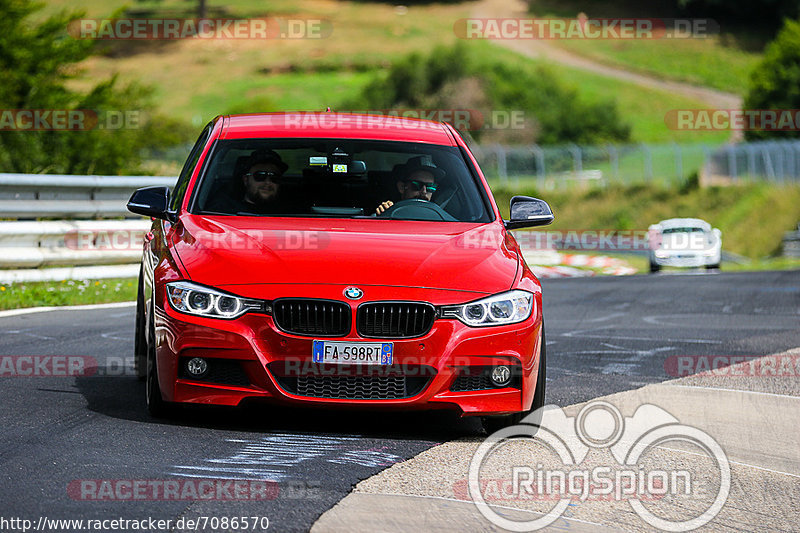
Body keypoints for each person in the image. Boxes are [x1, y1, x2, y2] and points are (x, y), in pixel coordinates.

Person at [375, 158, 444, 215]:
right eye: (416, 185)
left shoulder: (441, 218)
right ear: (401, 187)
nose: (424, 192)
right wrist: (384, 215)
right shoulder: (389, 211)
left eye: (430, 187)